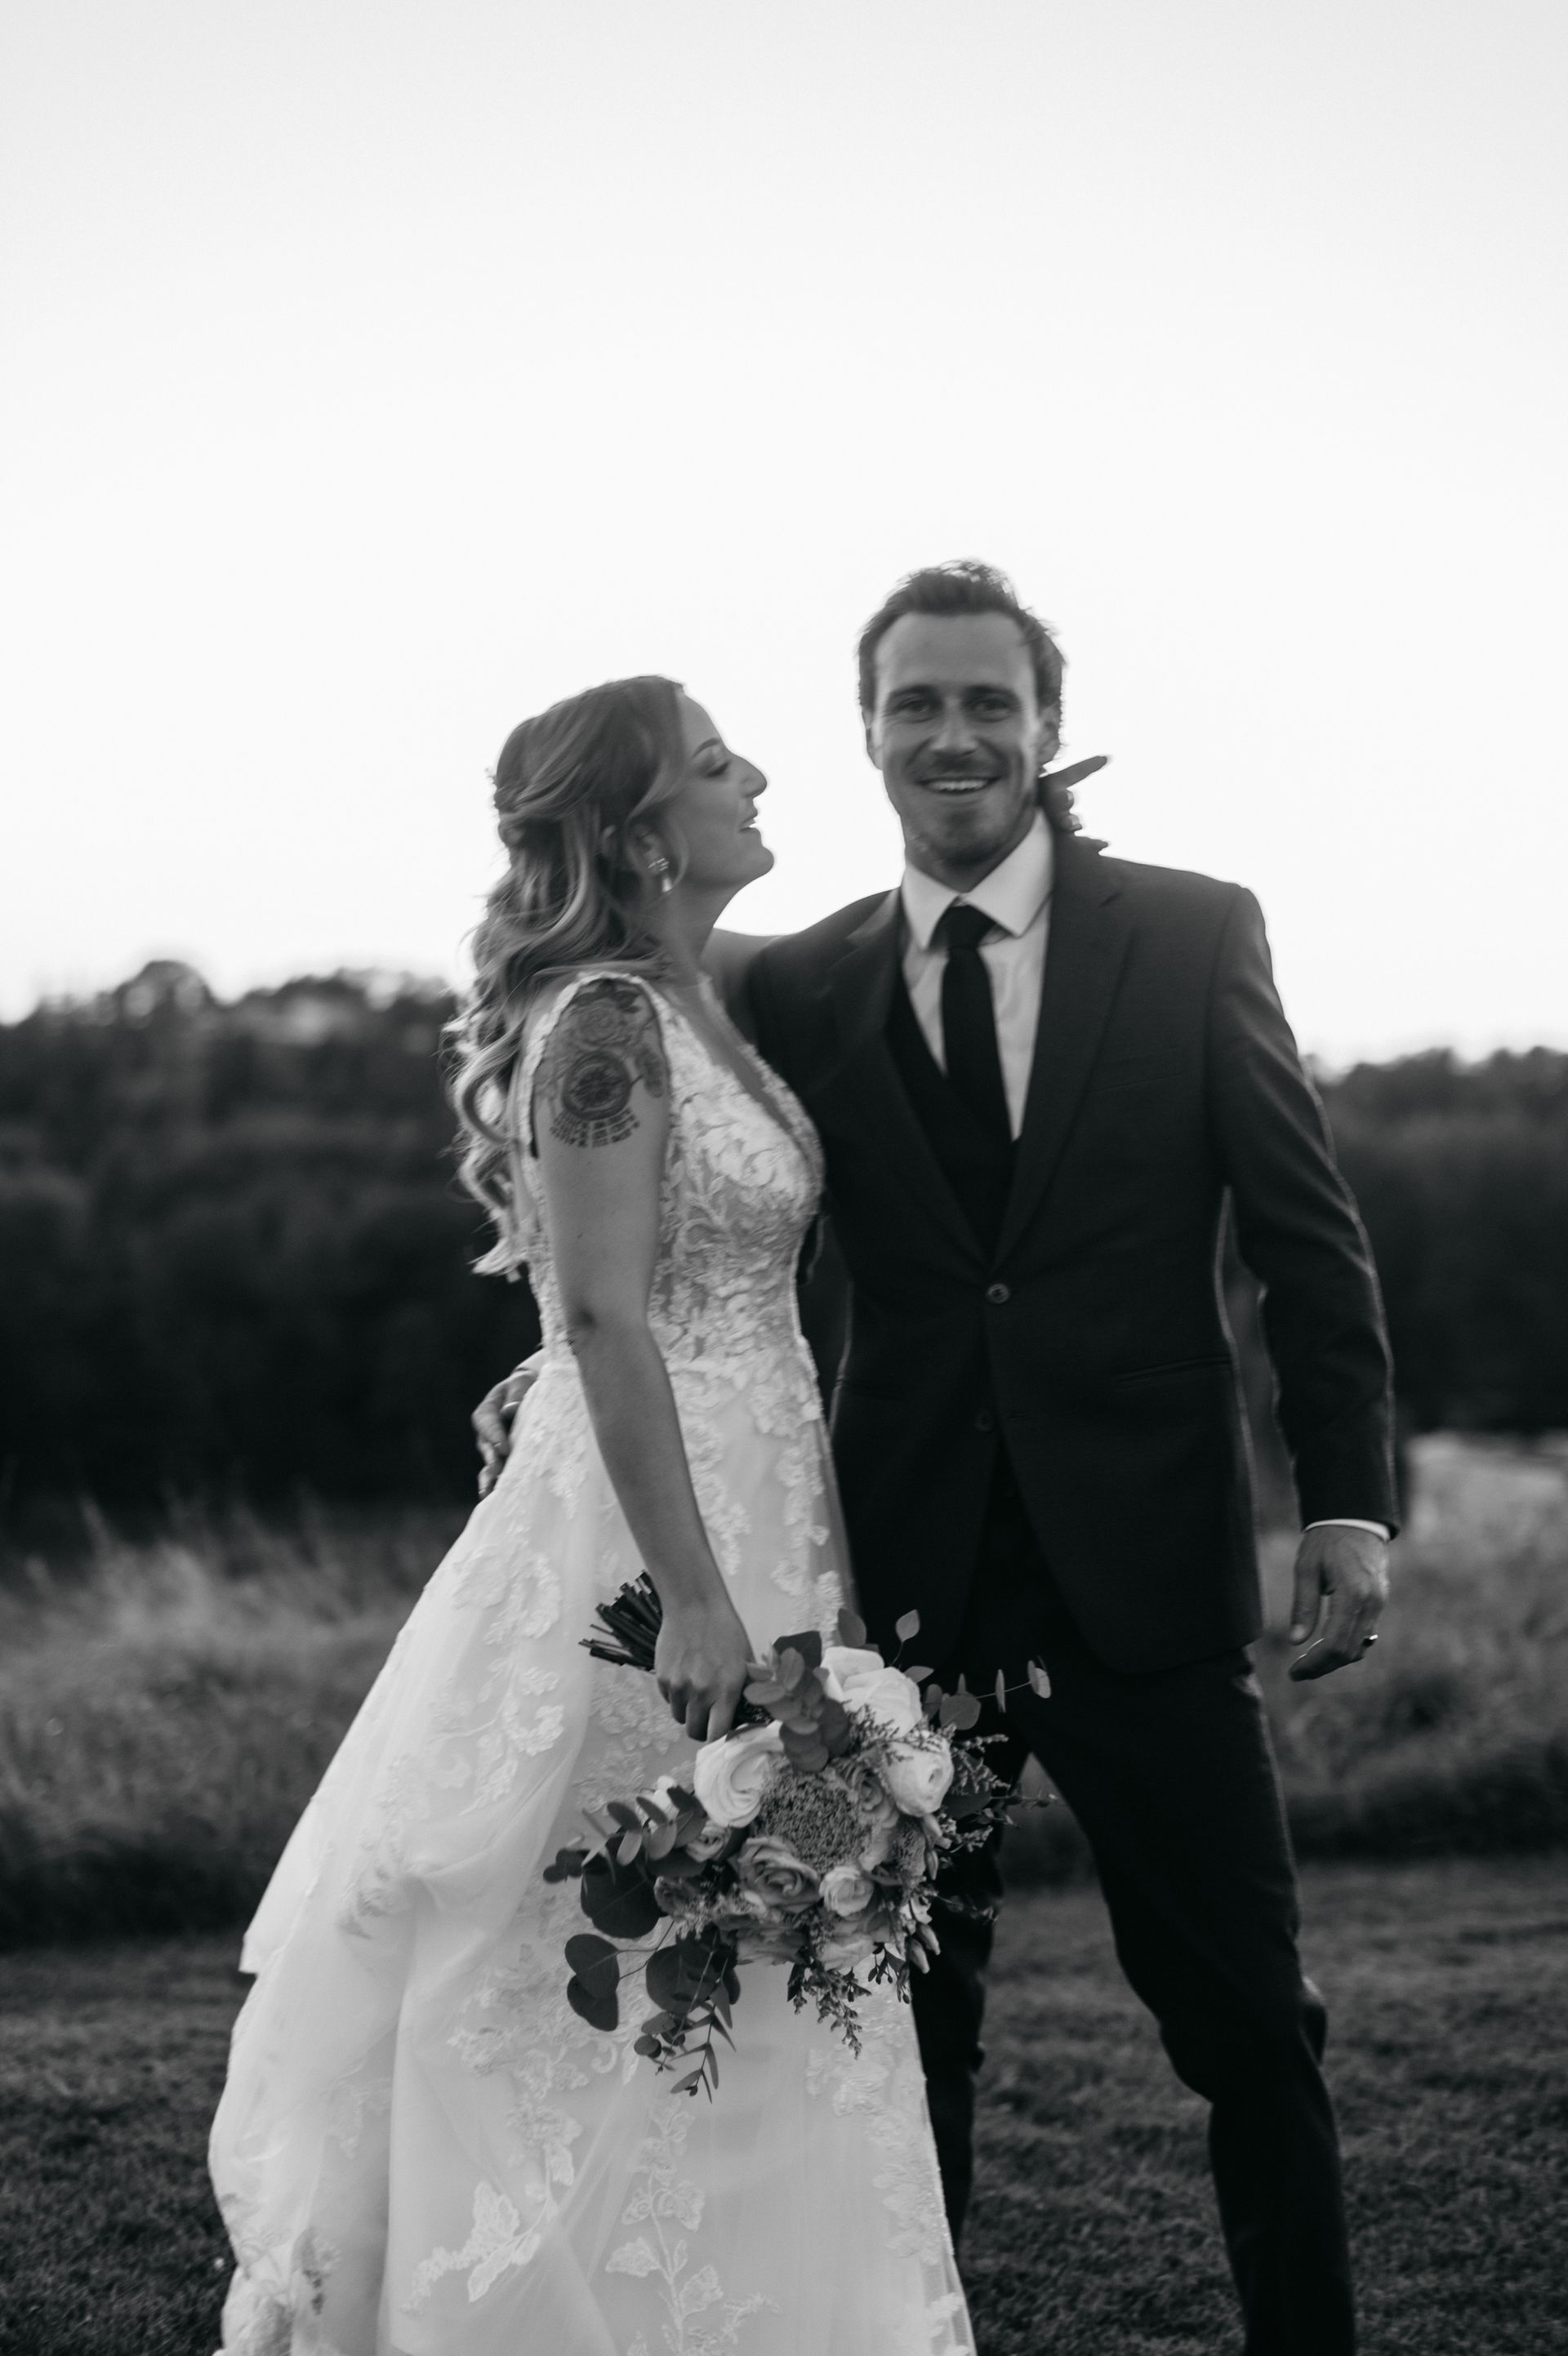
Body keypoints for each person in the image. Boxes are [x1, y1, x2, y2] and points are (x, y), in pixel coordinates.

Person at [478, 564, 1398, 2355]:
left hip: (1147, 1575)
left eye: (989, 701)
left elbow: (1310, 1238)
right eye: (917, 703)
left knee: (1247, 2020)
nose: (953, 734)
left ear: (1048, 729)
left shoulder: (1198, 932)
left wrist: (1349, 1499)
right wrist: (549, 1370)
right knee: (890, 2026)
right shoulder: (798, 980)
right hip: (888, 1600)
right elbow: (657, 1207)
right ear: (871, 733)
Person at [209, 677, 975, 2355]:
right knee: (603, 1936)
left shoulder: (699, 998)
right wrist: (691, 1591)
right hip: (655, 1542)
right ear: (635, 834)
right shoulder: (609, 1022)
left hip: (767, 1502)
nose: (755, 773)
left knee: (753, 1924)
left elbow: (618, 1286)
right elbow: (614, 1315)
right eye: (713, 762)